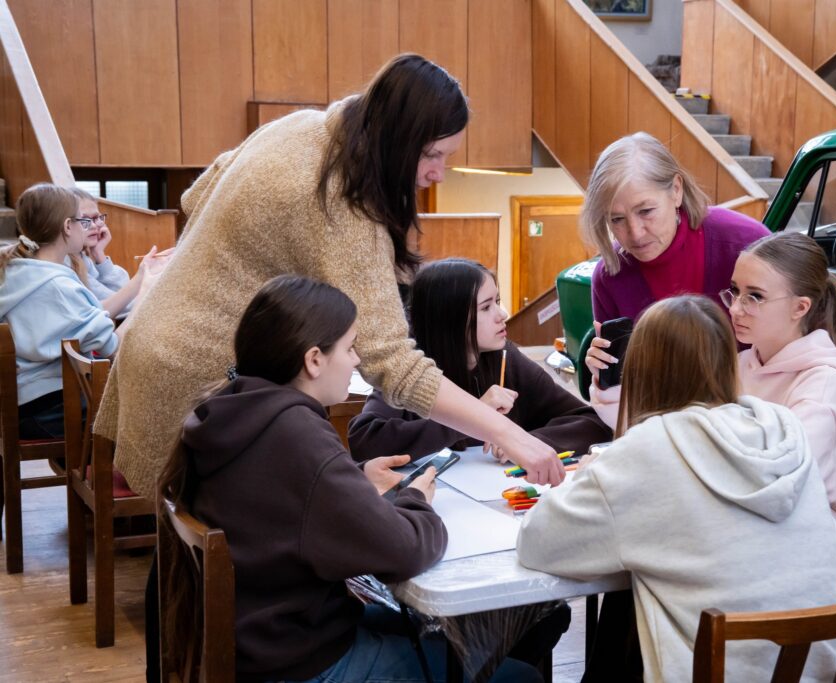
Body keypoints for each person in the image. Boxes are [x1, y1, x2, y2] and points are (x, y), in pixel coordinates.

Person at [94, 53, 564, 513]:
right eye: (431, 154)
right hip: (199, 371)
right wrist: (506, 433)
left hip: (154, 334)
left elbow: (194, 196)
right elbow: (395, 365)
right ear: (395, 138)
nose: (439, 172)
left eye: (447, 155)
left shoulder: (300, 127)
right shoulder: (345, 205)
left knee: (199, 536)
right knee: (231, 536)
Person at [158, 275, 542, 682]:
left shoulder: (234, 408)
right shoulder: (295, 433)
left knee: (486, 634)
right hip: (304, 660)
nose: (358, 360)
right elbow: (404, 551)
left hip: (265, 640)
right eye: (350, 347)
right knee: (518, 674)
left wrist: (355, 478)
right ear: (314, 360)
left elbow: (283, 501)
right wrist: (415, 499)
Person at [517, 295, 836, 682]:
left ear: (641, 369)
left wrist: (587, 476)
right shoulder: (782, 428)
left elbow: (538, 543)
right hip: (820, 669)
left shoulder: (647, 448)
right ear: (729, 359)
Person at [724, 232, 836, 595]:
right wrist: (608, 383)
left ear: (800, 307)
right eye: (735, 291)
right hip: (779, 533)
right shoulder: (743, 364)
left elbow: (793, 481)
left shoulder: (824, 383)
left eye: (754, 296)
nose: (736, 307)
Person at [348, 258, 611, 461]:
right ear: (448, 318)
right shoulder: (410, 369)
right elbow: (364, 441)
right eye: (486, 307)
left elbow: (592, 423)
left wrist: (523, 441)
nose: (503, 314)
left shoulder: (507, 358)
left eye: (497, 301)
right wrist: (474, 418)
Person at [580, 132, 768, 411]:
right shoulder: (611, 275)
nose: (634, 232)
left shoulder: (745, 243)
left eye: (645, 211)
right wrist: (604, 376)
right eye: (616, 219)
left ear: (676, 190)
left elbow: (789, 350)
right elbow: (625, 395)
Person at [0, 183, 118, 439]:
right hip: (49, 408)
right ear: (67, 226)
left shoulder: (17, 271)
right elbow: (110, 345)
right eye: (82, 221)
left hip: (25, 404)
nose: (87, 228)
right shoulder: (57, 286)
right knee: (144, 415)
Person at [69, 187, 172, 318]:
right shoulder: (68, 262)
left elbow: (121, 291)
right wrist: (144, 274)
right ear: (66, 225)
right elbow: (121, 305)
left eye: (96, 218)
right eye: (85, 220)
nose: (95, 225)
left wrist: (99, 254)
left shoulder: (82, 257)